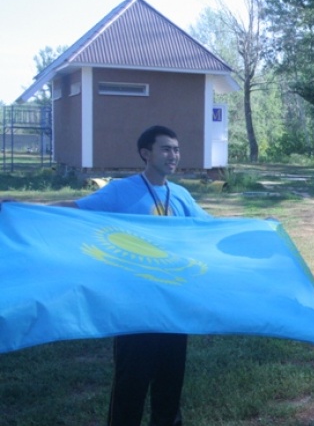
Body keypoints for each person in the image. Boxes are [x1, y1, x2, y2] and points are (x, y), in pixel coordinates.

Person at [54, 125, 209, 425]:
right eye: (166, 149)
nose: (173, 155)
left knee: (170, 387)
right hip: (133, 308)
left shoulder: (181, 195)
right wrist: (24, 208)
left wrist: (258, 227)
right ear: (145, 153)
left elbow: (211, 228)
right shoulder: (121, 191)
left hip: (174, 306)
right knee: (131, 386)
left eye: (176, 149)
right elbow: (75, 209)